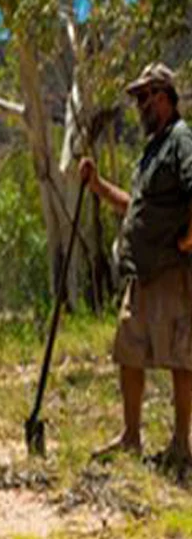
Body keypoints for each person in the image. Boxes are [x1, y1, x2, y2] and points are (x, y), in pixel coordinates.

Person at [79, 62, 192, 472]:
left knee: (182, 355)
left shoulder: (181, 140)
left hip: (170, 270)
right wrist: (96, 185)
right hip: (141, 274)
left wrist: (190, 236)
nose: (139, 106)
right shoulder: (152, 150)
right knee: (129, 350)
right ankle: (130, 438)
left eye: (144, 97)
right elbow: (135, 206)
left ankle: (182, 445)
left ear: (163, 96)